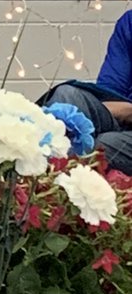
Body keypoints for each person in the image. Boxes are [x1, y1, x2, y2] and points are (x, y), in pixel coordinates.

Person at [40, 9, 132, 175]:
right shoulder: (130, 21)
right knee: (66, 97)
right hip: (122, 116)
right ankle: (36, 186)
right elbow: (109, 91)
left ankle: (46, 191)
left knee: (103, 145)